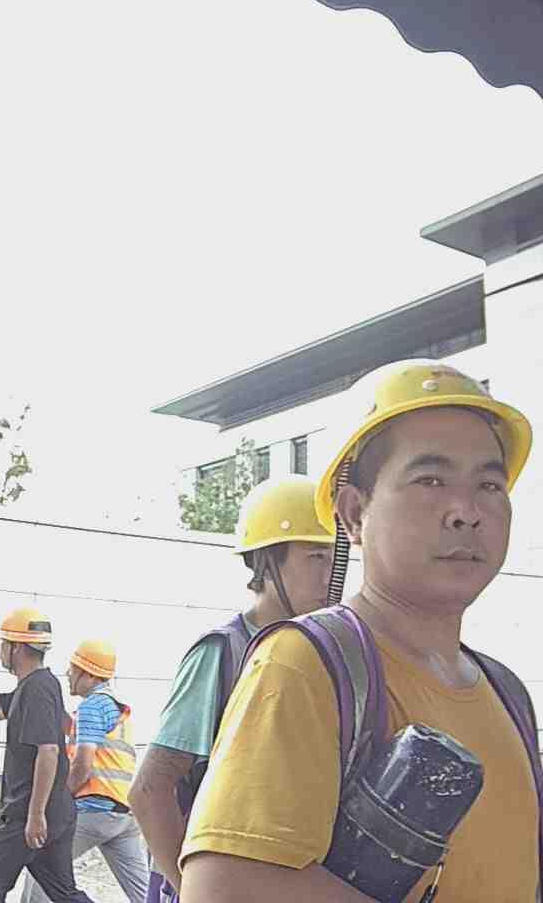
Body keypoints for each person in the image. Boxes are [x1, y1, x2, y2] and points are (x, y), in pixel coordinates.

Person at [179, 362, 543, 903]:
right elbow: (222, 889)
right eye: (431, 480)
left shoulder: (506, 690)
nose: (467, 511)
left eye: (489, 484)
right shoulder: (306, 664)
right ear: (354, 513)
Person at [128, 475, 334, 900]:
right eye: (316, 557)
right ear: (267, 562)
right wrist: (195, 892)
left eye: (335, 558)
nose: (331, 575)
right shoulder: (222, 654)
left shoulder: (325, 654)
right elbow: (149, 791)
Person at [0, 607, 94, 903]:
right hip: (55, 809)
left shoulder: (37, 688)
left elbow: (48, 751)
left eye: (4, 643)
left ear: (15, 648)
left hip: (27, 810)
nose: (1, 650)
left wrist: (35, 815)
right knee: (64, 893)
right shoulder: (35, 685)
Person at [22, 640, 149, 903]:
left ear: (89, 675)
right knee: (145, 893)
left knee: (43, 867)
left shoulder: (92, 706)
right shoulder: (113, 706)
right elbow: (78, 731)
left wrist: (56, 800)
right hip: (123, 814)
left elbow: (82, 765)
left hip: (94, 811)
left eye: (73, 668)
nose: (68, 673)